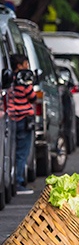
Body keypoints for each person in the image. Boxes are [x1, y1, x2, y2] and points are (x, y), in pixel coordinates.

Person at [9, 54, 36, 196]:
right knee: (22, 153)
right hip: (24, 118)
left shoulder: (8, 79)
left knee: (11, 150)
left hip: (12, 118)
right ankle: (18, 182)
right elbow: (32, 96)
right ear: (19, 65)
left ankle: (11, 179)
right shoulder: (23, 79)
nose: (27, 66)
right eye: (25, 63)